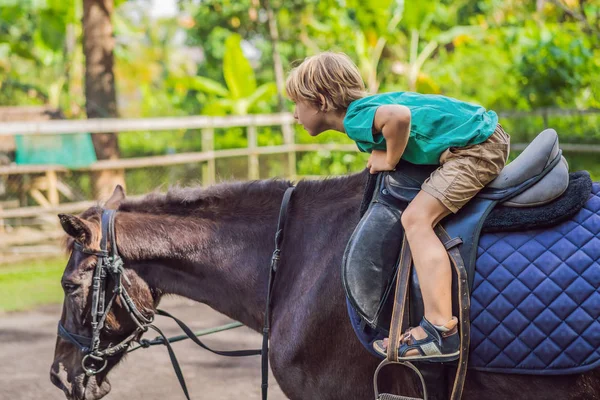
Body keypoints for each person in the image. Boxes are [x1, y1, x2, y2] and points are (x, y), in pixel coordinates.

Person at [285, 51, 509, 362]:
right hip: (479, 135)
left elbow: (400, 118)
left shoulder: (354, 118)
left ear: (321, 102)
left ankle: (440, 330)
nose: (295, 114)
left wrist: (390, 159)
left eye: (297, 104)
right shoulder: (367, 107)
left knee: (416, 221)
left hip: (476, 149)